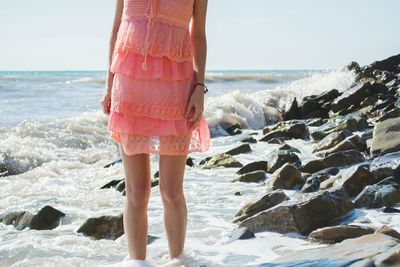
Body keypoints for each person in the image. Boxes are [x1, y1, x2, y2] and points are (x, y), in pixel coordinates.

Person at [100, 0, 210, 265]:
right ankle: (137, 263)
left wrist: (200, 87)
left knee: (171, 190)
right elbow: (117, 28)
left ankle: (179, 261)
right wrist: (108, 83)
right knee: (136, 191)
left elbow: (198, 34)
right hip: (130, 86)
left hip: (177, 87)